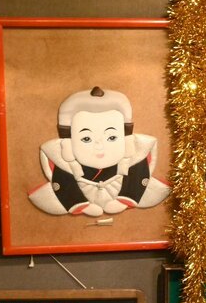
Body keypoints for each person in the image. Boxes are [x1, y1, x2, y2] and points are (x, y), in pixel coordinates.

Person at [28, 86, 170, 217]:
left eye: (112, 137)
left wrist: (125, 200)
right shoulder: (64, 166)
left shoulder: (136, 160)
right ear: (69, 142)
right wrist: (81, 205)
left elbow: (138, 178)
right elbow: (63, 184)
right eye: (86, 139)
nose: (99, 146)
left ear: (125, 138)